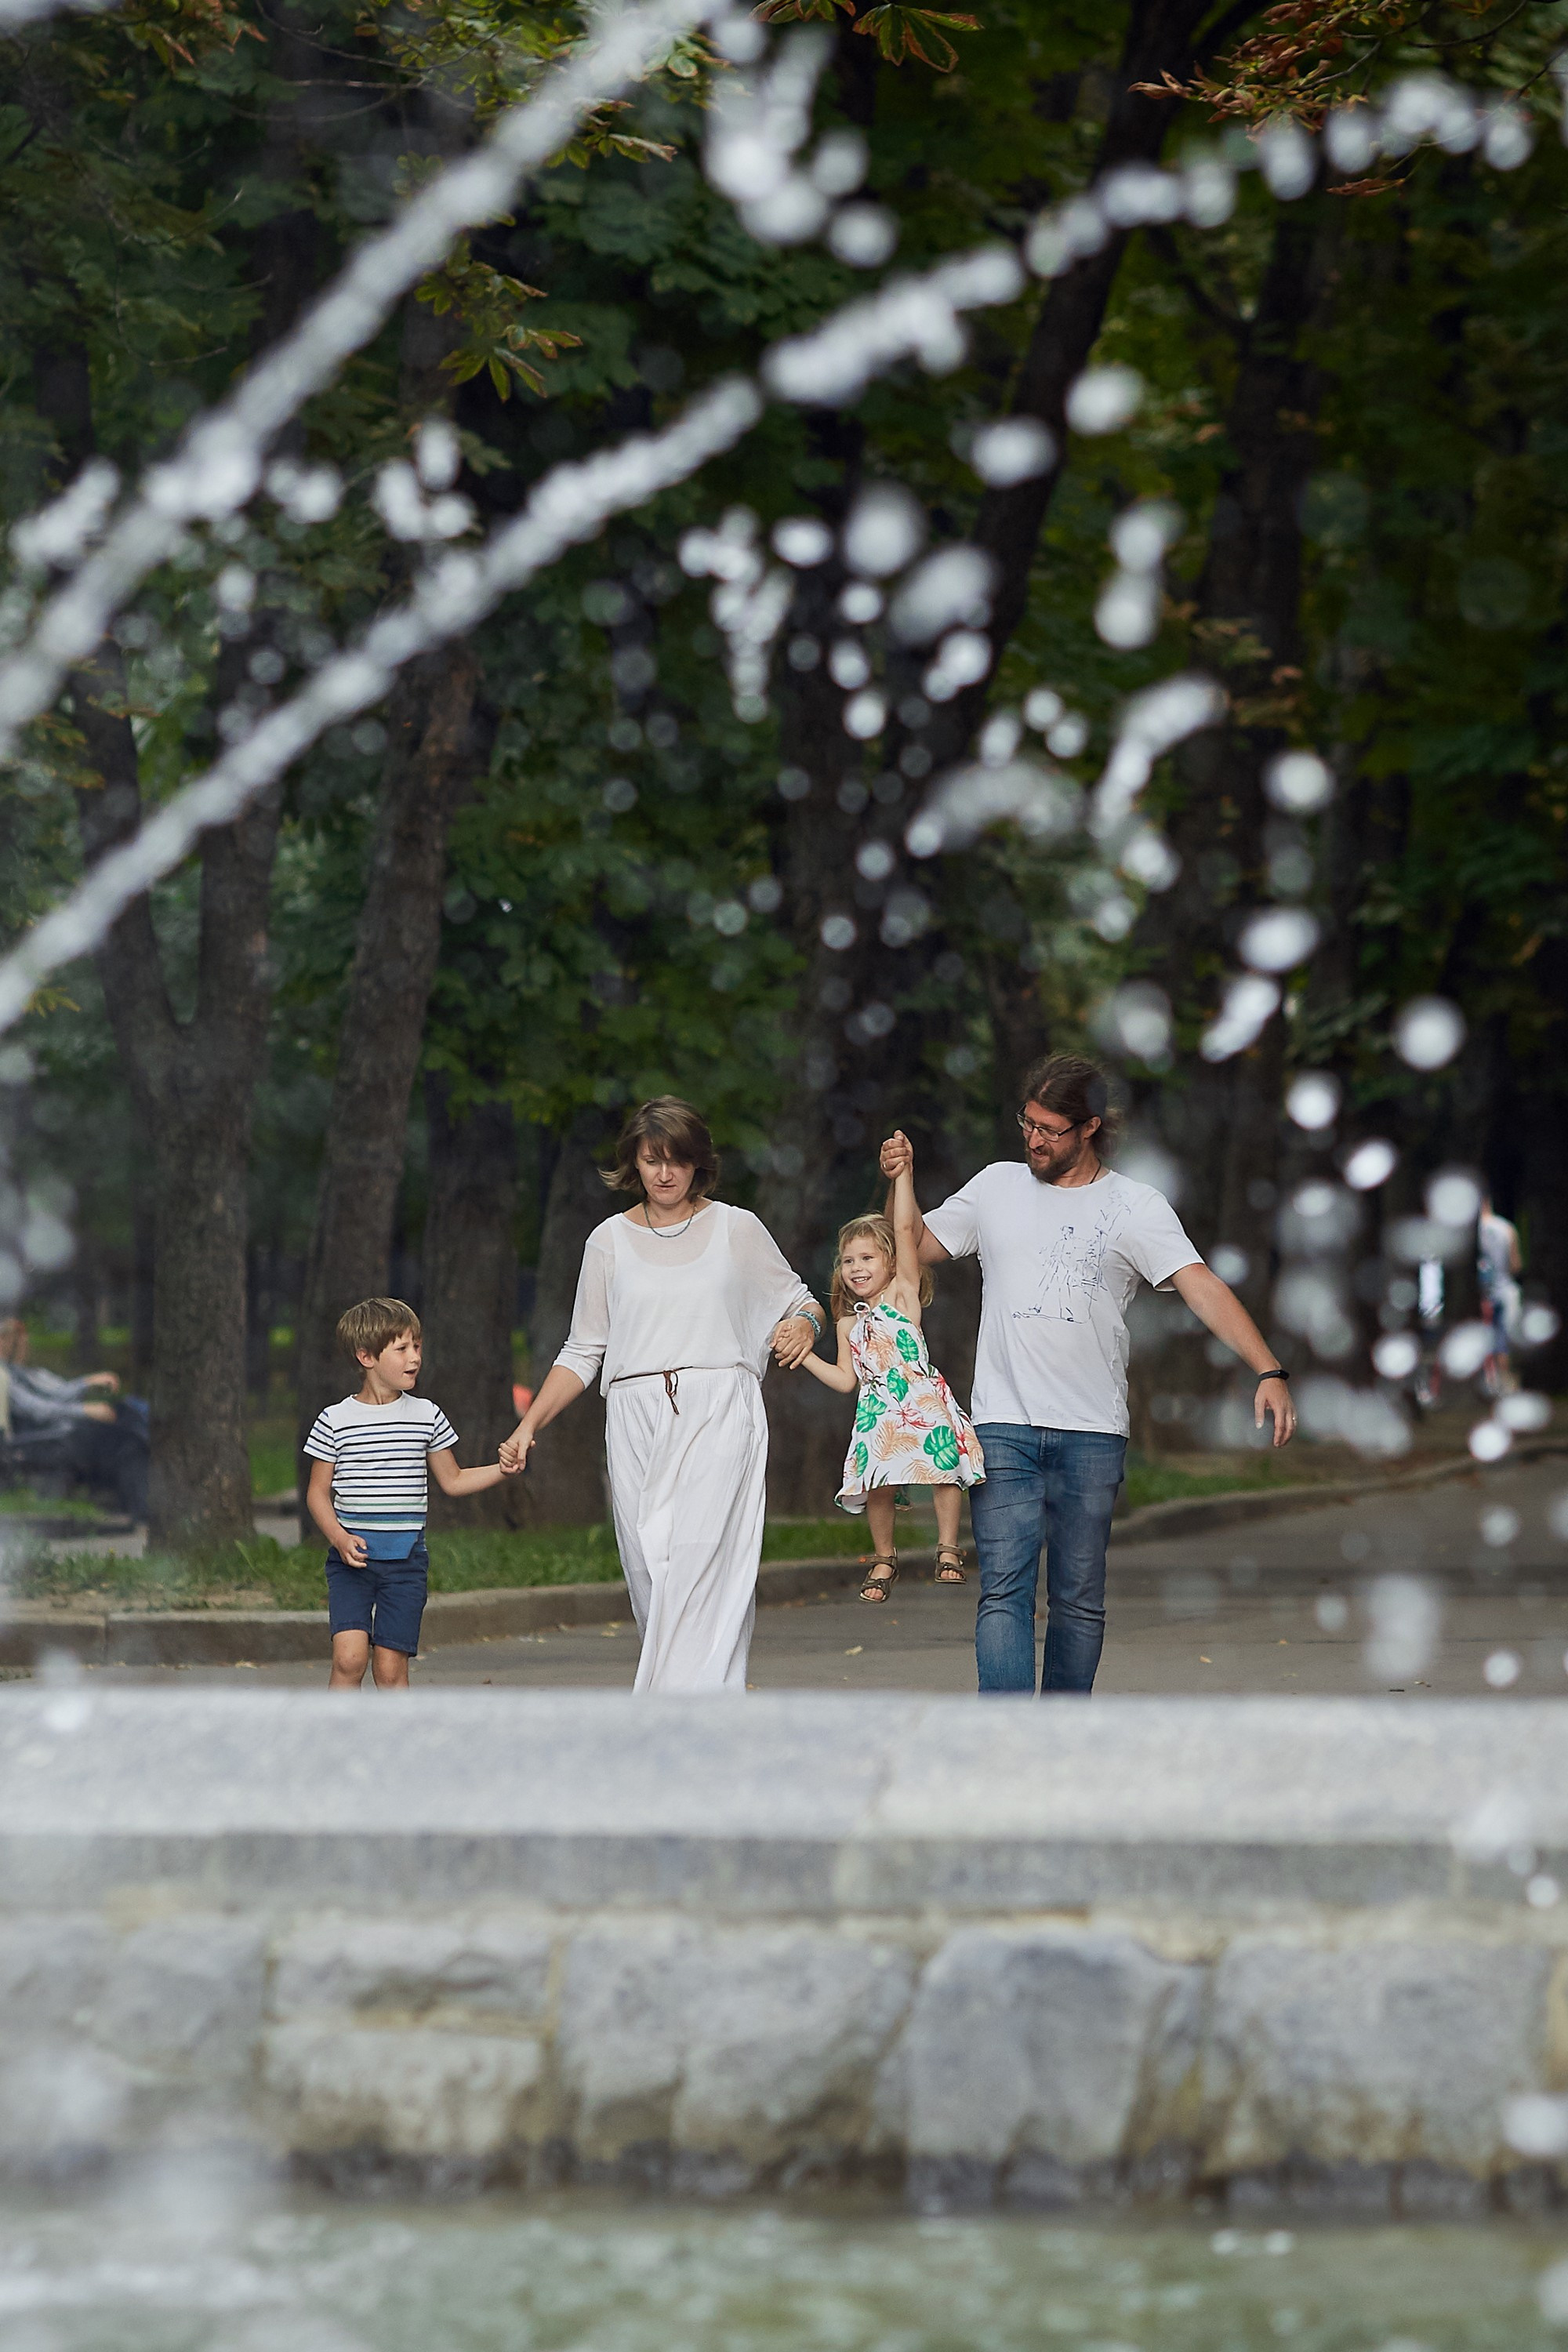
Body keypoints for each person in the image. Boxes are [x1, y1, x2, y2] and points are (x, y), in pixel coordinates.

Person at [880, 1053, 1297, 1697]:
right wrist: (899, 1181)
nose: (1034, 1140)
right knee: (1004, 1592)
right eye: (1028, 1123)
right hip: (1004, 1424)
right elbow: (909, 1249)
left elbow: (1202, 1286)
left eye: (1050, 1129)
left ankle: (1063, 1736)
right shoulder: (995, 1186)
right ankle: (1011, 1745)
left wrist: (1267, 1368)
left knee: (1078, 1600)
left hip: (1092, 1432)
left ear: (1090, 1128)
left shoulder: (1136, 1206)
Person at [499, 1097, 823, 1693]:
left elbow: (800, 1299)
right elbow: (583, 1349)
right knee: (652, 1573)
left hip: (720, 1406)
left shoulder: (736, 1227)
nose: (666, 1173)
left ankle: (677, 1717)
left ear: (699, 1163)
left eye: (678, 1160)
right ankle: (706, 1706)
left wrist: (806, 1325)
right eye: (652, 1161)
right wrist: (530, 1425)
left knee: (702, 1567)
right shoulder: (608, 1241)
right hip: (634, 1413)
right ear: (634, 1164)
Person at [797, 1154, 984, 1602]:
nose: (857, 1267)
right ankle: (885, 1557)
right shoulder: (846, 1322)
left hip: (919, 1398)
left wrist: (903, 1177)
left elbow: (904, 1230)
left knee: (944, 1468)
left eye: (867, 1257)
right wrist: (803, 1355)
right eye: (848, 1261)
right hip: (877, 1410)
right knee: (877, 1481)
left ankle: (948, 1547)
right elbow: (846, 1380)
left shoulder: (902, 1296)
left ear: (890, 1262)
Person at [305, 1297, 514, 1692]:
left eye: (416, 1346)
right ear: (366, 1356)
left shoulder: (426, 1415)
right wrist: (338, 1537)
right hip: (352, 1564)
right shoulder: (335, 1420)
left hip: (406, 1565)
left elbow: (453, 1480)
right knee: (349, 1659)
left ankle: (402, 1748)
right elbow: (318, 1494)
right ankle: (328, 1743)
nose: (414, 1357)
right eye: (401, 1349)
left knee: (389, 1671)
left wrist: (503, 1470)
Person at [0, 1317, 149, 1520]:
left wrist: (88, 1383)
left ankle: (140, 1507)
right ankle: (142, 1509)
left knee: (128, 1420)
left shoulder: (33, 1373)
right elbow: (38, 1410)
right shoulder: (5, 1377)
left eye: (22, 1338)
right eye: (13, 1339)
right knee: (128, 1433)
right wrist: (85, 1410)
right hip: (48, 1437)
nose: (22, 1344)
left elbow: (59, 1392)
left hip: (69, 1430)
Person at [1478, 1195, 1523, 1397]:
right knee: (1503, 1342)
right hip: (1506, 1291)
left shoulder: (1473, 1231)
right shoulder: (1507, 1228)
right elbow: (1516, 1265)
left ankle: (1488, 1383)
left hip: (1482, 1293)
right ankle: (1505, 1384)